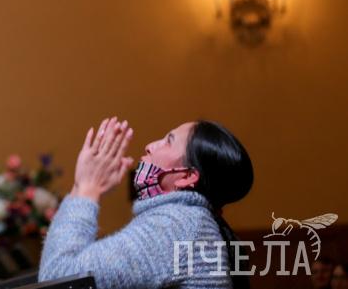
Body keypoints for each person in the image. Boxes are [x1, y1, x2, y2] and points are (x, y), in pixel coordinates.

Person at [39, 117, 254, 289]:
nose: (150, 146)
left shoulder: (177, 226)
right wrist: (82, 185)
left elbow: (58, 281)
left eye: (168, 141)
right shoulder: (192, 221)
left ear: (187, 176)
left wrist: (88, 188)